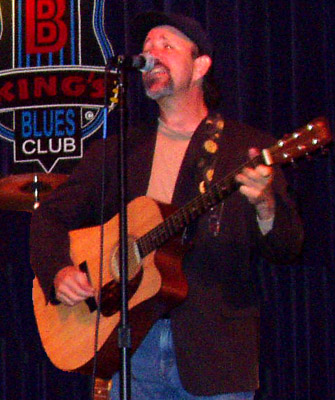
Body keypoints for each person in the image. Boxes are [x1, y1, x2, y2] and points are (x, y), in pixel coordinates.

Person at [30, 11, 304, 400]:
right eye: (146, 48)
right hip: (131, 346)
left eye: (166, 45)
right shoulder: (119, 151)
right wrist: (57, 270)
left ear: (200, 66)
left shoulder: (245, 149)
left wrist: (264, 204)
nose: (151, 54)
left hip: (215, 353)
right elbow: (50, 217)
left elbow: (287, 247)